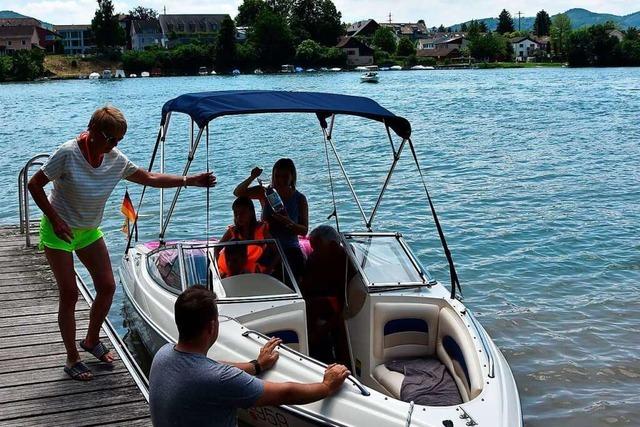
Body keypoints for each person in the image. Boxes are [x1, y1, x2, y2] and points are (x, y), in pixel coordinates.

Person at [28, 106, 216, 381]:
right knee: (69, 293)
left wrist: (188, 180)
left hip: (89, 230)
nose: (114, 145)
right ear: (92, 130)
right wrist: (55, 219)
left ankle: (91, 340)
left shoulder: (114, 159)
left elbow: (149, 178)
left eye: (119, 140)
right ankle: (72, 358)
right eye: (110, 138)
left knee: (107, 286)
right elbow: (35, 184)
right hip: (60, 230)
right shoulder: (67, 153)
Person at [149, 286, 350, 427]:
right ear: (211, 327)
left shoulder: (164, 354)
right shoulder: (218, 379)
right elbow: (285, 393)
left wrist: (256, 365)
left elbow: (212, 365)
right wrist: (327, 386)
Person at [234, 159, 308, 281]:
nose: (280, 180)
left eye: (285, 176)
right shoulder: (265, 192)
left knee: (293, 268)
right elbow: (238, 193)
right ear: (273, 176)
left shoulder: (299, 198)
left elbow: (304, 230)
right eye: (277, 176)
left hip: (289, 247)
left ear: (292, 176)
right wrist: (252, 177)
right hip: (268, 247)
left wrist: (288, 222)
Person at [301, 225, 356, 369]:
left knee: (340, 331)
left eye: (317, 248)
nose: (314, 252)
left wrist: (327, 326)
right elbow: (306, 290)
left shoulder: (348, 262)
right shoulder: (314, 259)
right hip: (320, 307)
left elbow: (348, 300)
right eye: (313, 248)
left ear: (332, 245)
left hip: (342, 309)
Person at [215, 197, 274, 276]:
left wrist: (268, 270)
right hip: (234, 272)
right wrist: (219, 267)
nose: (239, 217)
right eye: (236, 213)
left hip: (257, 272)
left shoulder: (262, 229)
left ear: (251, 213)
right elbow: (217, 248)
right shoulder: (232, 231)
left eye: (242, 213)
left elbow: (276, 252)